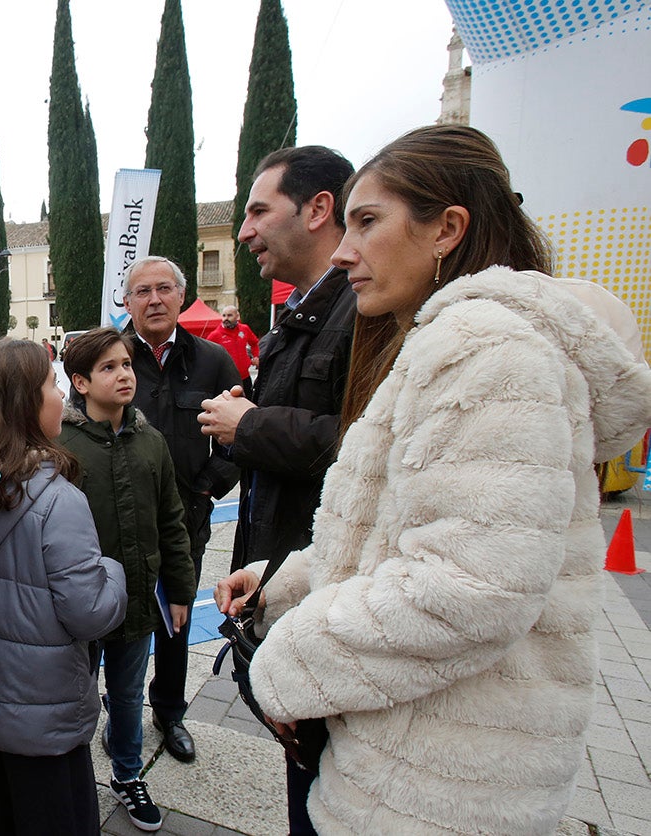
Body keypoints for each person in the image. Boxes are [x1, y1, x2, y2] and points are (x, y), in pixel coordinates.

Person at [215, 124, 651, 834]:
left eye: (368, 221)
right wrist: (284, 583)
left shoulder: (485, 349)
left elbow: (471, 589)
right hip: (418, 757)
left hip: (440, 785)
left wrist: (289, 663)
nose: (347, 251)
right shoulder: (448, 339)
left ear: (447, 229)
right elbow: (407, 530)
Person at [0, 338, 127, 836]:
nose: (62, 395)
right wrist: (113, 570)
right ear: (23, 404)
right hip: (47, 717)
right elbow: (91, 612)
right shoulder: (58, 500)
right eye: (52, 384)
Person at [198, 145, 357, 584]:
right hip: (273, 573)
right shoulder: (298, 314)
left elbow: (369, 443)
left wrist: (250, 426)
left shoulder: (365, 311)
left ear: (318, 210)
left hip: (319, 588)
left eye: (258, 212)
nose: (244, 232)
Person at [57, 328, 194, 832]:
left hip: (137, 600)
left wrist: (179, 590)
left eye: (128, 365)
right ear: (81, 381)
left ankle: (128, 774)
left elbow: (171, 521)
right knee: (76, 697)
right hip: (80, 606)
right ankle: (70, 780)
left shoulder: (150, 441)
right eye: (109, 368)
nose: (124, 375)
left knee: (129, 695)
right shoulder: (60, 445)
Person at [121, 256, 241, 763]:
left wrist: (208, 490)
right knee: (120, 622)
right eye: (142, 291)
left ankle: (169, 713)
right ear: (127, 303)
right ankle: (121, 714)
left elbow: (244, 432)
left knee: (177, 620)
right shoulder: (108, 357)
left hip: (186, 521)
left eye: (164, 289)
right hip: (120, 521)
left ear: (180, 295)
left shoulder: (214, 360)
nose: (154, 299)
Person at [207, 305, 259, 392]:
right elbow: (206, 353)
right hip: (227, 380)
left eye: (229, 315)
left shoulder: (244, 329)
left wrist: (256, 356)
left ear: (237, 316)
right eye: (224, 315)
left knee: (249, 403)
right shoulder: (215, 335)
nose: (226, 319)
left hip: (245, 377)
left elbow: (255, 343)